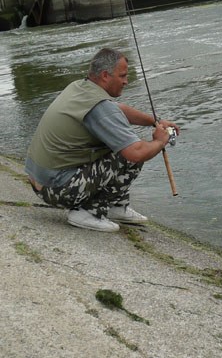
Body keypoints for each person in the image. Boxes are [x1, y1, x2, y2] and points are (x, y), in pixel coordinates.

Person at [25, 48, 179, 232]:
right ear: (106, 75)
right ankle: (87, 212)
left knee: (123, 144)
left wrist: (155, 122)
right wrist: (160, 141)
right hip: (57, 190)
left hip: (41, 181)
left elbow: (119, 109)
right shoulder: (100, 107)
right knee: (131, 152)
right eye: (122, 75)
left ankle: (114, 206)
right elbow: (136, 153)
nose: (126, 81)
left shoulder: (80, 87)